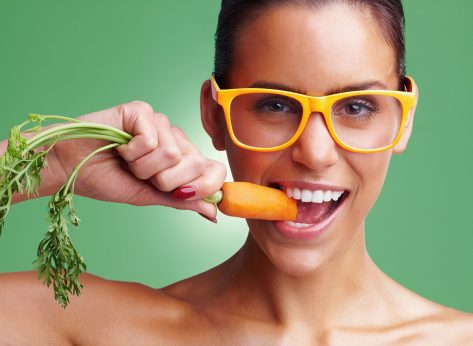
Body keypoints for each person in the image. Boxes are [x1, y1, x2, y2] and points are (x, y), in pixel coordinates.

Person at [1, 0, 472, 344]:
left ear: (403, 118)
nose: (314, 152)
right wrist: (56, 162)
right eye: (274, 104)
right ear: (214, 115)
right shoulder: (91, 327)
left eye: (356, 106)